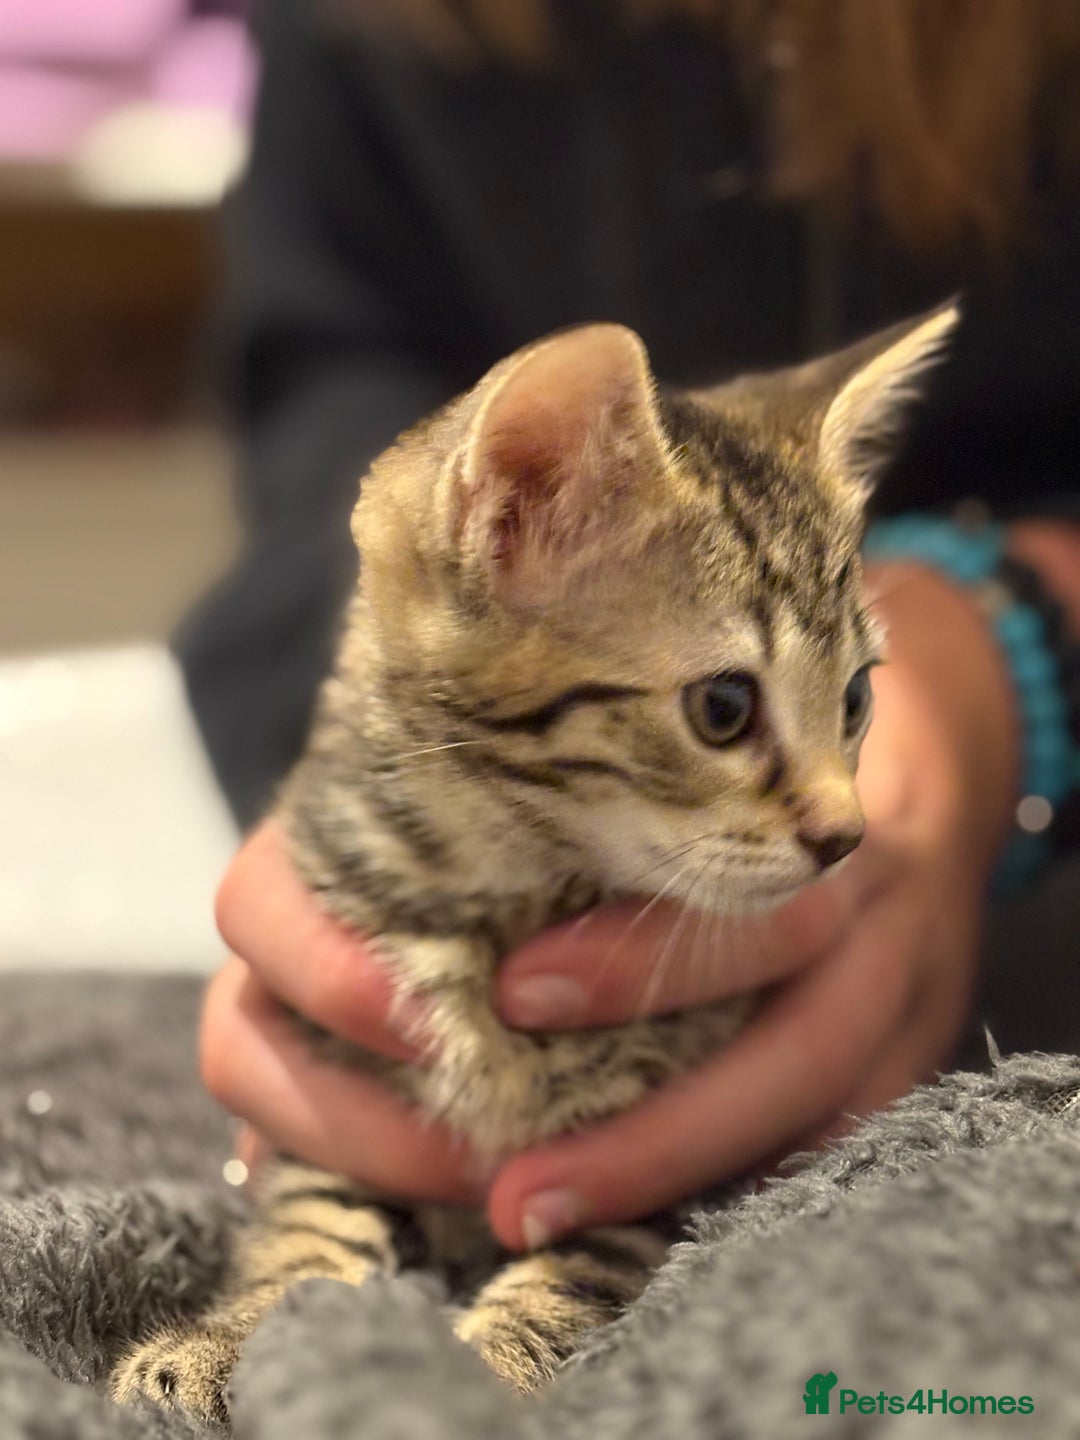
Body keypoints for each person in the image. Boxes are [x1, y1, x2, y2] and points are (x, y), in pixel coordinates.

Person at [178, 0, 1080, 1252]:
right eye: (726, 713)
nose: (842, 814)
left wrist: (1016, 657)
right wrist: (393, 768)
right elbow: (333, 362)